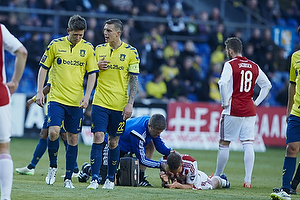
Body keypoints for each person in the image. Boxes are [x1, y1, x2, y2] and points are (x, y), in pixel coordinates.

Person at [35, 14, 98, 189]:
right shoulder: (55, 45)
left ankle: (68, 177)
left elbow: (92, 73)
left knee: (73, 138)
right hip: (56, 98)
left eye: (81, 35)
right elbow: (43, 68)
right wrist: (40, 91)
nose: (78, 38)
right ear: (68, 31)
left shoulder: (88, 48)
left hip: (76, 101)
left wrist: (87, 96)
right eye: (75, 34)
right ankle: (53, 167)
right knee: (53, 132)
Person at [88, 18, 139, 190]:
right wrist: (95, 66)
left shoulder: (131, 52)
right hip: (100, 102)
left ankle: (110, 178)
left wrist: (130, 103)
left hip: (119, 105)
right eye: (104, 30)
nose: (105, 33)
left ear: (118, 33)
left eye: (109, 31)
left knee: (113, 142)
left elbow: (134, 80)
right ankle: (95, 179)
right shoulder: (98, 49)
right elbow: (87, 72)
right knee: (98, 137)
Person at [214, 37, 272, 189]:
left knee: (224, 143)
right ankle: (247, 180)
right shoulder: (253, 65)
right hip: (249, 110)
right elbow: (267, 85)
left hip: (233, 108)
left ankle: (217, 175)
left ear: (230, 50)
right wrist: (256, 102)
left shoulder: (230, 64)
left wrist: (224, 101)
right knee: (248, 143)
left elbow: (222, 83)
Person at [83, 114, 172, 188]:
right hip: (109, 144)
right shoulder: (138, 133)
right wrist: (160, 165)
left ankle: (140, 178)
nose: (158, 135)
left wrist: (171, 152)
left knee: (151, 145)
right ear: (149, 126)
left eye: (160, 133)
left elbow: (159, 146)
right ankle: (87, 169)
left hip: (124, 147)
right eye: (157, 133)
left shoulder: (151, 123)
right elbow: (142, 160)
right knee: (103, 179)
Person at [15, 85, 79, 177]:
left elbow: (49, 87)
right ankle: (31, 167)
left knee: (65, 136)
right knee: (44, 134)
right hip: (52, 109)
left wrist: (33, 99)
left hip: (59, 108)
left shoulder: (55, 71)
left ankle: (75, 169)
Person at [270, 26, 300, 200]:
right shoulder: (295, 57)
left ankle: (292, 186)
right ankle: (286, 188)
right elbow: (292, 84)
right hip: (297, 111)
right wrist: (288, 109)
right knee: (291, 148)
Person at [0, 23, 27, 200]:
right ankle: (6, 197)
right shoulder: (0, 29)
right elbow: (22, 52)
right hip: (1, 96)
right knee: (3, 148)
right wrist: (15, 81)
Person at [159, 152, 230, 190]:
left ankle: (223, 181)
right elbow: (166, 185)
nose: (176, 174)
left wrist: (179, 186)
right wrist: (165, 181)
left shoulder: (190, 164)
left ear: (182, 164)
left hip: (197, 181)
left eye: (178, 171)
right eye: (173, 172)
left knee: (211, 185)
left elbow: (190, 186)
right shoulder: (164, 162)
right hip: (184, 179)